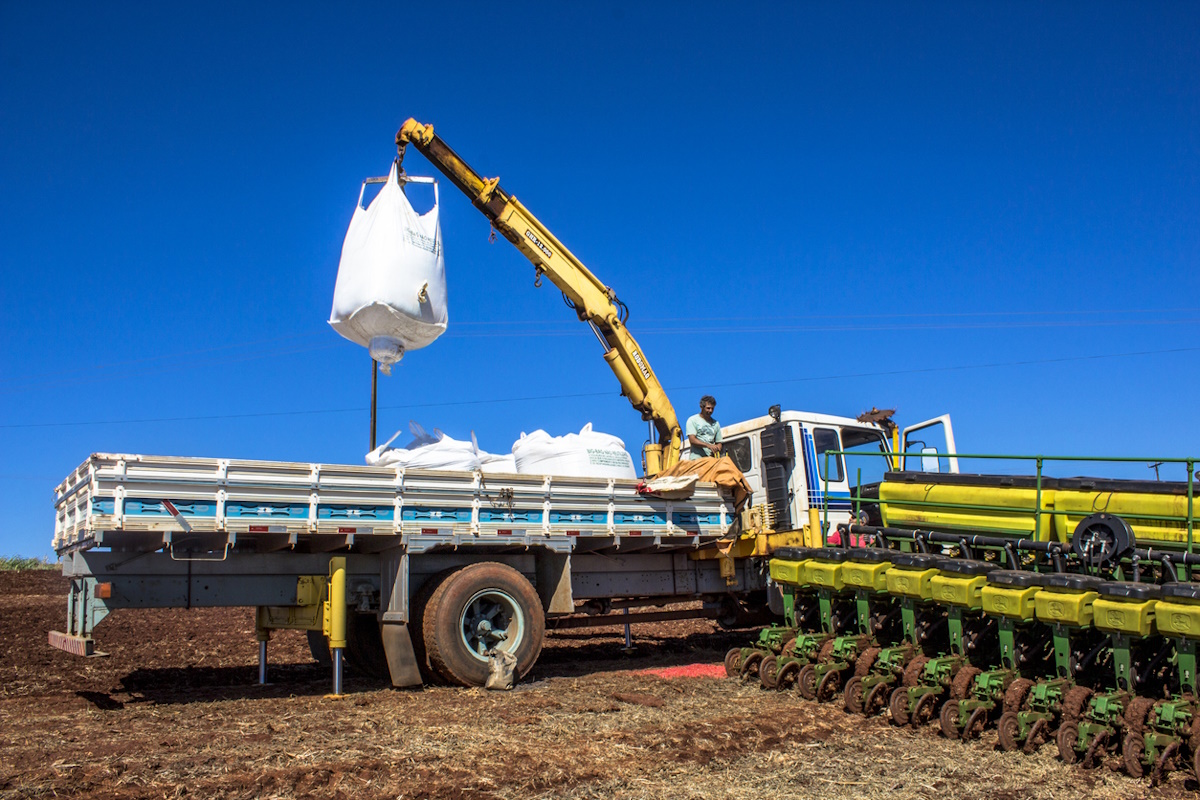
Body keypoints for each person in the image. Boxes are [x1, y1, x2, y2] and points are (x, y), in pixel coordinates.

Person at [685, 395, 722, 459]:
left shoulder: (716, 424)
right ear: (701, 407)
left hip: (711, 460)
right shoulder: (693, 420)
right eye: (708, 408)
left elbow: (719, 442)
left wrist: (717, 448)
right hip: (697, 460)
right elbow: (692, 440)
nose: (710, 411)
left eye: (712, 408)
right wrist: (708, 446)